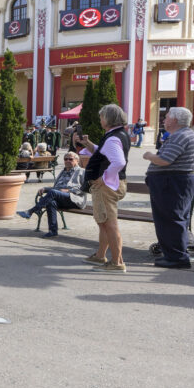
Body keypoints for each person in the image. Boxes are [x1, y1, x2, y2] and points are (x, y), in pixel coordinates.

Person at [142, 107, 194, 269]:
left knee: (172, 220)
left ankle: (177, 258)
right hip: (174, 181)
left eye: (166, 117)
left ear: (174, 120)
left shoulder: (181, 136)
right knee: (171, 219)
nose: (163, 120)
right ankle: (173, 256)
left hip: (173, 182)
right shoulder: (183, 135)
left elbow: (165, 160)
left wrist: (149, 156)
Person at [76, 103, 130, 273]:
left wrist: (103, 177)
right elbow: (105, 153)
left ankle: (117, 261)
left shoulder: (113, 137)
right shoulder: (117, 135)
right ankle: (101, 255)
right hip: (112, 184)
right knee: (104, 223)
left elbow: (119, 162)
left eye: (101, 117)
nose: (100, 120)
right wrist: (89, 145)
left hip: (108, 186)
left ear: (107, 119)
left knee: (109, 224)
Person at [16, 152, 86, 237]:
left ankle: (31, 211)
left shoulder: (81, 171)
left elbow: (84, 189)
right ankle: (53, 231)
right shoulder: (62, 172)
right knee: (51, 202)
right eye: (65, 159)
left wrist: (68, 191)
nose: (67, 161)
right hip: (61, 197)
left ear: (77, 160)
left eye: (70, 159)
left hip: (74, 199)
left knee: (53, 193)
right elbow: (56, 188)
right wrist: (45, 189)